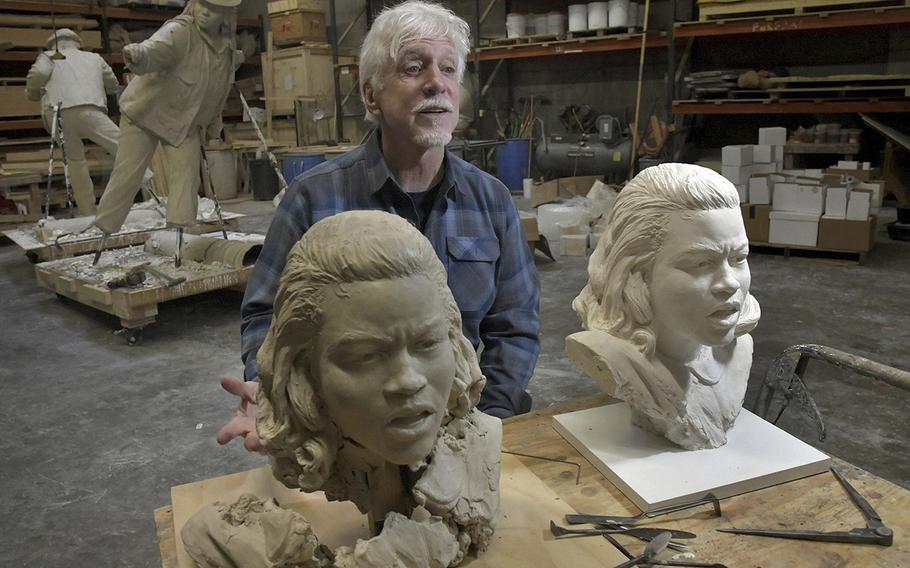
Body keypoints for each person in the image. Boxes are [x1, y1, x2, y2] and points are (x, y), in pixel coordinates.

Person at [218, 1, 540, 453]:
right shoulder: (314, 198)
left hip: (461, 421)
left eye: (449, 69)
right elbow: (266, 316)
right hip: (349, 434)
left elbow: (516, 325)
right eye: (414, 68)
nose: (437, 83)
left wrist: (487, 421)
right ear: (371, 96)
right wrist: (273, 391)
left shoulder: (490, 200)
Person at [570, 163, 761, 450]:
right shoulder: (613, 357)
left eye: (738, 258)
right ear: (636, 273)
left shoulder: (738, 350)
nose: (730, 283)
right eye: (700, 263)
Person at [91, 0, 242, 236]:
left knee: (187, 174)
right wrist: (140, 53)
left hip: (182, 121)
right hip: (145, 112)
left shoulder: (226, 47)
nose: (204, 12)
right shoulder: (181, 31)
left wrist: (213, 124)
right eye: (202, 4)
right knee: (129, 172)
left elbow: (219, 91)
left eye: (213, 10)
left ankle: (179, 232)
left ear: (226, 15)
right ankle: (104, 228)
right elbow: (156, 48)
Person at [25, 29, 122, 216]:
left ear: (53, 43)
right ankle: (152, 191)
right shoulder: (94, 58)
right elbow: (112, 84)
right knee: (125, 148)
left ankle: (87, 211)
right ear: (76, 42)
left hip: (60, 113)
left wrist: (33, 92)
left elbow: (39, 73)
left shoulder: (49, 56)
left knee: (76, 162)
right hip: (91, 109)